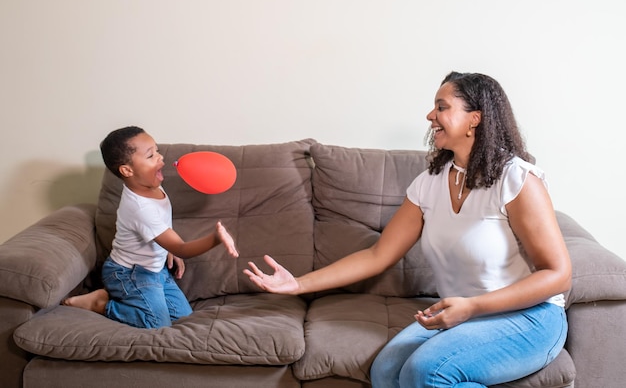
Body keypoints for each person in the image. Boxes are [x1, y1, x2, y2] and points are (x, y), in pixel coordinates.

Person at [244, 72, 571, 387]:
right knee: (385, 371)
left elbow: (558, 274)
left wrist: (472, 307)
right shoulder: (429, 183)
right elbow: (377, 255)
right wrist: (298, 284)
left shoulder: (517, 180)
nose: (430, 115)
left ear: (475, 118)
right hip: (461, 313)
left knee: (426, 372)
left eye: (442, 107)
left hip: (529, 317)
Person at [63, 126, 239, 329]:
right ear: (127, 170)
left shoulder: (151, 186)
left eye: (157, 150)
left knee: (184, 319)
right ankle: (100, 303)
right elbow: (180, 247)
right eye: (150, 155)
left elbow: (162, 226)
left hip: (157, 271)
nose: (160, 158)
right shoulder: (139, 207)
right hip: (130, 274)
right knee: (157, 324)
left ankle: (120, 297)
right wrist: (214, 238)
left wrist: (167, 250)